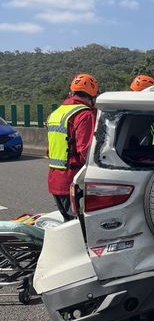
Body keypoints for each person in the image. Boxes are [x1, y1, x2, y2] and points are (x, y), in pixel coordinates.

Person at [47, 74, 98, 221]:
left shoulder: (56, 114)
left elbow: (49, 150)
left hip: (55, 180)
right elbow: (86, 152)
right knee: (79, 230)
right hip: (73, 181)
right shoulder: (84, 115)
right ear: (92, 95)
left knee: (68, 226)